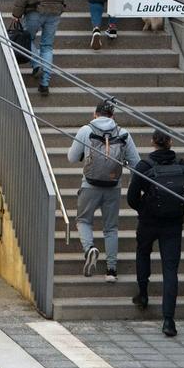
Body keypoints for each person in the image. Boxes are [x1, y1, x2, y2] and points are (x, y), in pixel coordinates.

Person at [127, 129, 184, 337]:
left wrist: (144, 208)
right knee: (170, 270)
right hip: (173, 224)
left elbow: (132, 198)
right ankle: (169, 321)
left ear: (153, 142)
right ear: (170, 142)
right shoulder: (183, 165)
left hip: (148, 222)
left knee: (143, 253)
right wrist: (180, 201)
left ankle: (143, 294)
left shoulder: (144, 166)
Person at [68, 100, 139, 282]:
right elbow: (136, 163)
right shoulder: (123, 133)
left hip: (89, 185)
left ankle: (90, 248)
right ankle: (111, 271)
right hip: (113, 186)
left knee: (83, 220)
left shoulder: (86, 130)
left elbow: (72, 158)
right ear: (113, 116)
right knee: (111, 228)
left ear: (95, 114)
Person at [10, 0, 70, 95]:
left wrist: (17, 13)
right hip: (55, 8)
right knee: (47, 46)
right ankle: (44, 84)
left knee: (26, 38)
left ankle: (36, 63)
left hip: (35, 8)